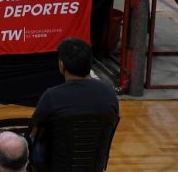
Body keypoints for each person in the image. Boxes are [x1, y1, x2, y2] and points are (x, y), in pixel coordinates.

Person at [29, 38, 118, 169]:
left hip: (57, 165)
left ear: (62, 65)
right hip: (94, 164)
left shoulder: (52, 96)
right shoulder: (109, 94)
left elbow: (35, 134)